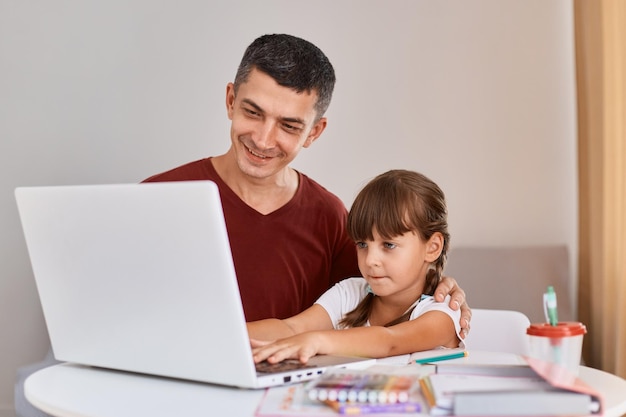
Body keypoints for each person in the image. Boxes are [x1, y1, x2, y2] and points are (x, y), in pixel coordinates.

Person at [143, 33, 471, 334]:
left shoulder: (329, 218)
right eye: (253, 112)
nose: (263, 139)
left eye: (288, 125)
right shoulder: (155, 200)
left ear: (313, 132)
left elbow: (384, 300)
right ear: (231, 100)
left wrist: (436, 287)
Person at [248, 170, 462, 364]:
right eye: (362, 244)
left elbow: (390, 341)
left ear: (432, 247)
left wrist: (317, 340)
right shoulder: (349, 292)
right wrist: (224, 334)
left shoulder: (442, 312)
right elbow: (291, 328)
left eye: (388, 245)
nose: (370, 260)